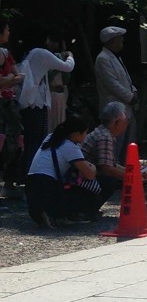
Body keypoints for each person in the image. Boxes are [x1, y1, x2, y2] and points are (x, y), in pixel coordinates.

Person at [17, 31, 76, 182]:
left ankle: (25, 175)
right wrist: (70, 55)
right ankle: (33, 177)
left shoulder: (29, 53)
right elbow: (67, 67)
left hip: (29, 101)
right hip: (36, 102)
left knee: (30, 141)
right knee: (37, 142)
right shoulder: (40, 53)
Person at [25, 117, 96, 227]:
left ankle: (46, 212)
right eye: (85, 133)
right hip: (47, 183)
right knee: (85, 189)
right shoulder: (70, 147)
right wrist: (93, 166)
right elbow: (90, 175)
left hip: (31, 182)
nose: (85, 136)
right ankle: (62, 215)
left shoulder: (50, 138)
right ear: (77, 133)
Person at [80, 102, 129, 218]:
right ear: (116, 123)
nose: (126, 124)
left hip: (84, 173)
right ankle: (88, 210)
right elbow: (107, 168)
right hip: (82, 177)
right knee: (110, 181)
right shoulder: (105, 137)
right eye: (125, 121)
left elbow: (111, 163)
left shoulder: (103, 132)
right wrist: (132, 178)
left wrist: (133, 173)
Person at [94, 26, 137, 159]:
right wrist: (130, 97)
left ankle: (124, 174)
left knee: (128, 144)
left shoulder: (116, 58)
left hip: (125, 108)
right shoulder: (103, 59)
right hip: (114, 108)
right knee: (115, 146)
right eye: (119, 40)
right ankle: (113, 175)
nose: (122, 43)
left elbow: (126, 80)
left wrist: (134, 91)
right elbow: (112, 84)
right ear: (111, 41)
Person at [0, 18, 26, 201]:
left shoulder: (6, 52)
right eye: (7, 29)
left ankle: (9, 183)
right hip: (3, 104)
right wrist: (10, 78)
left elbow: (18, 76)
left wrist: (8, 78)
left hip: (9, 104)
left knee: (14, 142)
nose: (9, 33)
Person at [45, 34, 70, 132]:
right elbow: (48, 77)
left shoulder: (64, 58)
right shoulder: (46, 56)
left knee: (60, 121)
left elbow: (66, 80)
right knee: (50, 122)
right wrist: (58, 65)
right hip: (50, 92)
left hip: (61, 93)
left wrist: (64, 63)